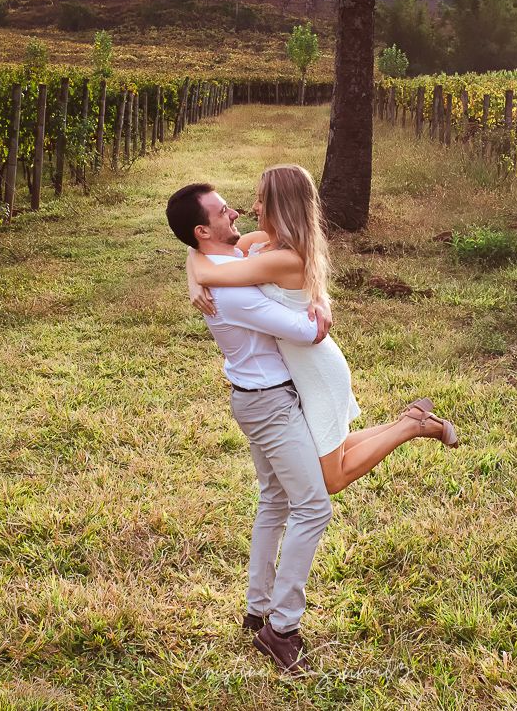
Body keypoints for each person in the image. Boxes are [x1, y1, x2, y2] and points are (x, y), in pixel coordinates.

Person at [185, 163, 458, 500]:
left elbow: (212, 270)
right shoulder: (260, 244)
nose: (252, 209)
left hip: (315, 368)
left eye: (260, 200)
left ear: (278, 206)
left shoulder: (284, 258)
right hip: (299, 366)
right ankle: (416, 419)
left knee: (331, 478)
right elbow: (208, 248)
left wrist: (195, 272)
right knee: (329, 451)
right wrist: (192, 261)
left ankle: (410, 427)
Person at [166, 181, 333, 675]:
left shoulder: (218, 264)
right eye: (222, 211)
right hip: (269, 403)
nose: (234, 211)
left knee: (275, 501)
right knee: (313, 507)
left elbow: (227, 252)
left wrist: (192, 269)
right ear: (203, 230)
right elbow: (308, 331)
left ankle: (257, 606)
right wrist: (318, 310)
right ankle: (281, 628)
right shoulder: (230, 291)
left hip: (257, 397)